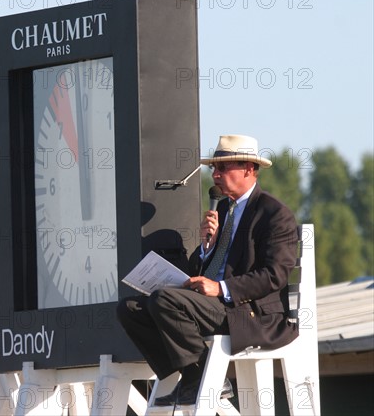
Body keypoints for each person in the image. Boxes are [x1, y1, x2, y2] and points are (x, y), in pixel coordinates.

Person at [117, 134, 299, 406]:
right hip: (212, 305)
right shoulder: (222, 209)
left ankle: (204, 378)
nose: (215, 174)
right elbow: (204, 270)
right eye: (213, 168)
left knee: (164, 301)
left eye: (223, 168)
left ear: (249, 169)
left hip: (249, 311)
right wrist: (206, 248)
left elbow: (275, 274)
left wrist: (221, 288)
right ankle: (191, 375)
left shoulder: (274, 214)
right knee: (129, 309)